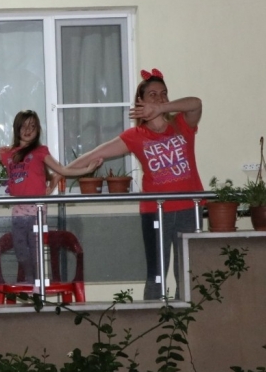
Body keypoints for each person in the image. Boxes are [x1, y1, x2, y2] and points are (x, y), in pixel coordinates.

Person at [67, 68, 203, 300]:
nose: (159, 98)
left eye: (163, 93)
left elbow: (196, 103)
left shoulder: (182, 123)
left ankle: (187, 316)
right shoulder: (135, 135)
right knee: (156, 274)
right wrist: (60, 173)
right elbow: (95, 154)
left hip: (189, 208)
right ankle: (153, 316)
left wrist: (161, 109)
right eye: (152, 95)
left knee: (188, 272)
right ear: (140, 101)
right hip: (155, 211)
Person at [0, 110, 101, 282]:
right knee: (20, 248)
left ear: (38, 130)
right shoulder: (8, 152)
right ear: (17, 128)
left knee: (36, 248)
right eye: (24, 126)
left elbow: (62, 169)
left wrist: (87, 169)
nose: (28, 130)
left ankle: (37, 282)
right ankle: (31, 278)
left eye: (32, 126)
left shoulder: (40, 151)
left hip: (37, 208)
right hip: (18, 209)